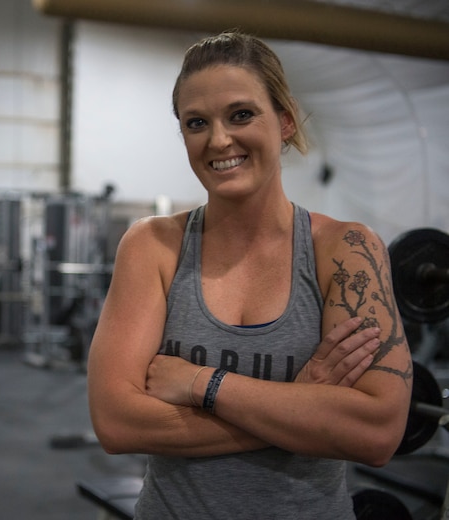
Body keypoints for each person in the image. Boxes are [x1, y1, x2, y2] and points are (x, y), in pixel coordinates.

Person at [86, 31, 413, 519]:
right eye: (197, 123)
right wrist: (302, 406)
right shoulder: (153, 246)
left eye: (241, 114)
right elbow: (117, 423)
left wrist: (202, 383)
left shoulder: (345, 250)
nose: (219, 140)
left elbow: (377, 432)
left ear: (284, 120)